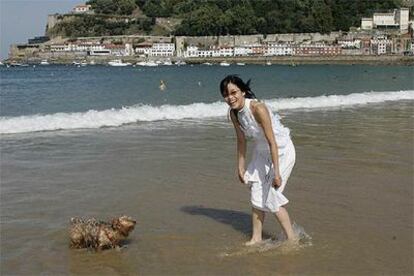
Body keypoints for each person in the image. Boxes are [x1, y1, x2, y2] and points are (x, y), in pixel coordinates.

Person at [220, 75, 297, 245]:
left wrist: (277, 172)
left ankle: (292, 240)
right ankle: (256, 238)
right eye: (226, 94)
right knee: (256, 192)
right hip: (262, 153)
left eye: (234, 92)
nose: (230, 98)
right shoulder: (234, 113)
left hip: (281, 151)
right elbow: (241, 140)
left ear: (243, 92)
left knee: (271, 195)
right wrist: (240, 167)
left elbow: (272, 142)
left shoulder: (257, 108)